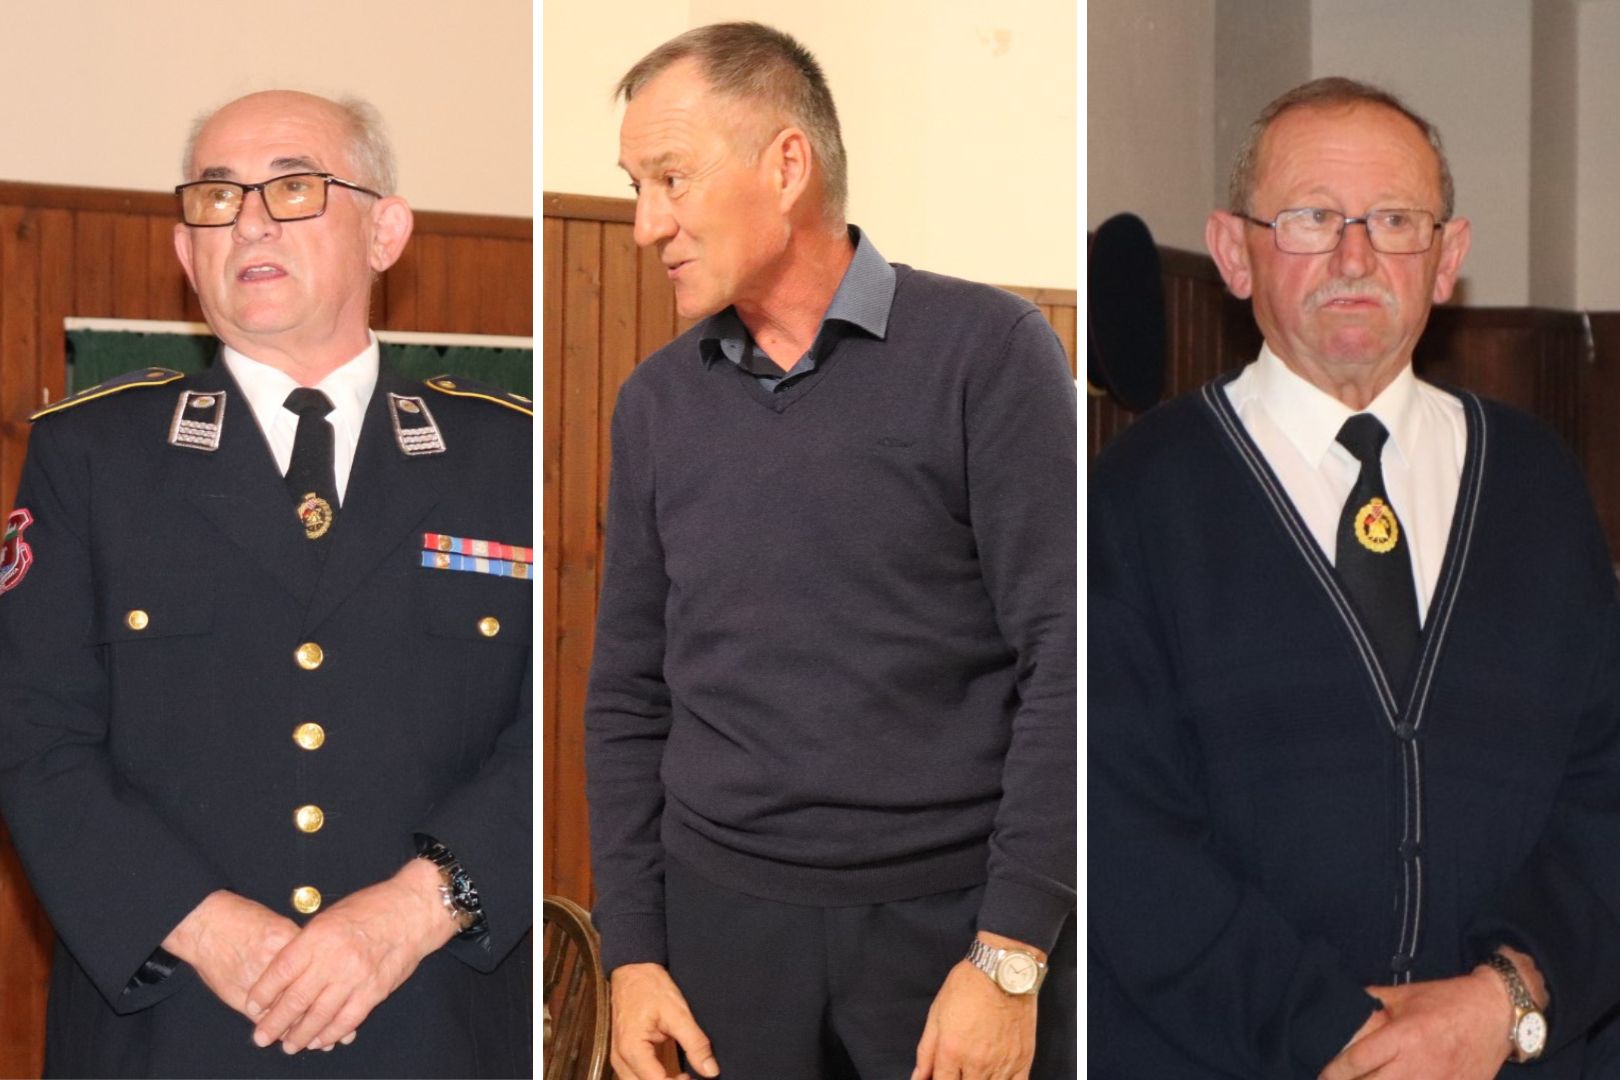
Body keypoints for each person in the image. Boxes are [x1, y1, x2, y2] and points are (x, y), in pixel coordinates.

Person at [1089, 76, 1620, 1078]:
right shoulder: (1134, 498)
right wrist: (1342, 1040)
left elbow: (1607, 787)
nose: (1355, 257)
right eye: (1311, 217)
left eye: (1395, 220)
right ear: (1233, 252)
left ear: (1448, 259)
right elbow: (1123, 834)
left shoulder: (1539, 485)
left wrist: (1505, 997)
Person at [0, 90, 532, 1077]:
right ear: (184, 250)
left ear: (386, 232)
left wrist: (411, 912)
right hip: (172, 1026)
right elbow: (33, 738)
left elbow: (564, 724)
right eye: (216, 197)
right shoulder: (91, 458)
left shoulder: (505, 460)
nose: (247, 220)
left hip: (435, 1023)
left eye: (293, 188)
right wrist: (204, 928)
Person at [581, 21, 1077, 1080]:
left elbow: (1072, 661)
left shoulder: (990, 354)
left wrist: (1010, 956)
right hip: (717, 940)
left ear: (787, 165)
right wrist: (633, 953)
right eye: (635, 187)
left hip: (952, 938)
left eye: (670, 178)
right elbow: (627, 693)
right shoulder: (655, 404)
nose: (644, 224)